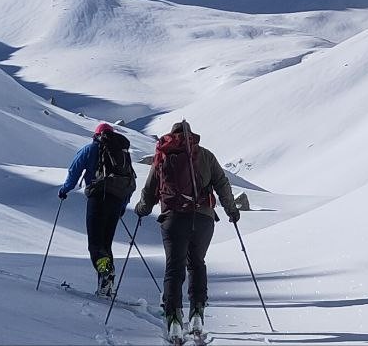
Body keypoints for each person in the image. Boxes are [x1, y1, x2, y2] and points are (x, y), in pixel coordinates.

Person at [133, 121, 239, 339]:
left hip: (173, 218)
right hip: (203, 218)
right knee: (197, 263)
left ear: (172, 135)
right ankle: (197, 313)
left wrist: (142, 209)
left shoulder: (163, 154)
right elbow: (222, 183)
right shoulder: (205, 155)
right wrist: (231, 210)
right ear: (192, 135)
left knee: (174, 267)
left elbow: (150, 189)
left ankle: (173, 318)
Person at [58, 123, 136, 297]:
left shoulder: (91, 149)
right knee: (106, 243)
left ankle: (105, 274)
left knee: (95, 243)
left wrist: (64, 190)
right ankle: (106, 285)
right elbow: (129, 181)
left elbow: (75, 169)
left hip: (97, 198)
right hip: (116, 202)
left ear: (96, 135)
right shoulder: (122, 154)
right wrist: (122, 206)